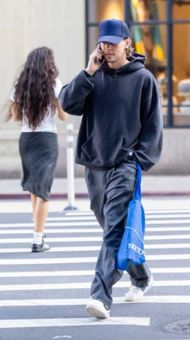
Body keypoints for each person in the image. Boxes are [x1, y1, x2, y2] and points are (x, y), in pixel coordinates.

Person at [59, 19, 163, 319]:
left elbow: (154, 126)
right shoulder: (93, 76)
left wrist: (139, 160)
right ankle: (141, 275)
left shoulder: (143, 79)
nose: (107, 48)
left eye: (113, 43)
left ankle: (100, 295)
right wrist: (88, 72)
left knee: (114, 229)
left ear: (127, 43)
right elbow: (66, 103)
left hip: (125, 164)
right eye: (103, 42)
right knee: (111, 227)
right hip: (95, 163)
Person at [7, 46, 67, 252]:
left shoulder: (20, 84)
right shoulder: (55, 84)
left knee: (35, 187)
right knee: (43, 190)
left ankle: (38, 233)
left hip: (26, 139)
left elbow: (15, 117)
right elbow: (63, 116)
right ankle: (37, 238)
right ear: (48, 63)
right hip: (47, 139)